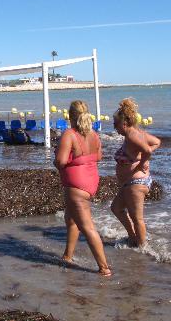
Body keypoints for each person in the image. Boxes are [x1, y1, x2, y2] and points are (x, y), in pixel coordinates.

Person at [54, 100, 112, 277]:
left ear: (70, 117)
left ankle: (104, 268)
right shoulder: (94, 134)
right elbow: (99, 157)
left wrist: (56, 159)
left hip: (76, 186)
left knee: (87, 227)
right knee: (71, 219)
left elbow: (61, 161)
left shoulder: (69, 134)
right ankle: (67, 256)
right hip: (90, 181)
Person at [110, 98, 161, 247]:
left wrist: (143, 161)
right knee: (116, 208)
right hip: (130, 183)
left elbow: (146, 150)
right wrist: (143, 158)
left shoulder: (133, 136)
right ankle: (133, 237)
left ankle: (141, 248)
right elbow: (157, 142)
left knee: (137, 218)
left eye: (116, 124)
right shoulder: (136, 133)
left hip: (136, 183)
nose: (114, 128)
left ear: (124, 124)